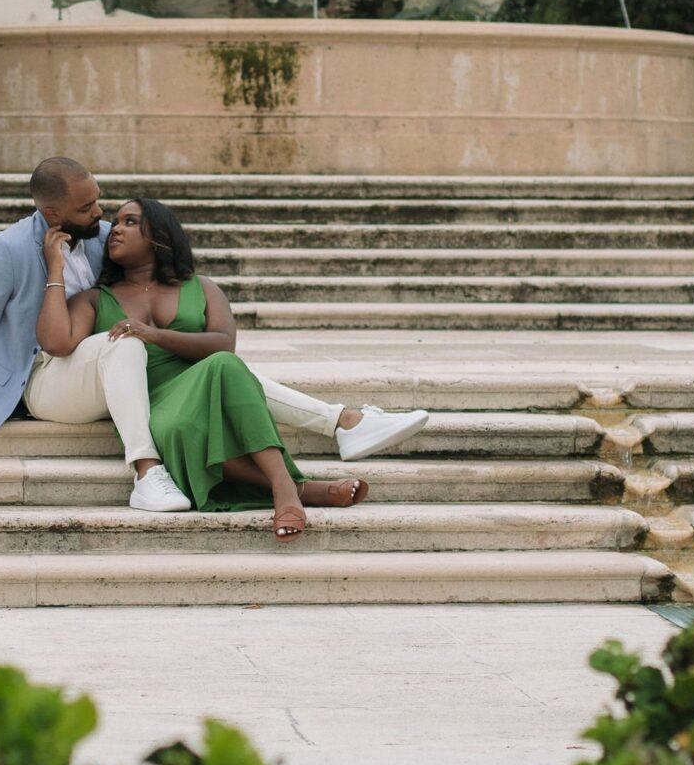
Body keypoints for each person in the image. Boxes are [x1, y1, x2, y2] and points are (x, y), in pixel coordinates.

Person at [0, 157, 427, 518]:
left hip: (113, 373)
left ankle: (345, 424)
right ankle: (147, 473)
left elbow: (153, 264)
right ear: (51, 213)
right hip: (42, 379)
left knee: (214, 368)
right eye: (87, 209)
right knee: (125, 340)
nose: (101, 217)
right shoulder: (6, 250)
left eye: (101, 204)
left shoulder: (102, 238)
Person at [34, 191, 424, 543]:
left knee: (224, 364)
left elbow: (223, 343)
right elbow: (57, 343)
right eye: (115, 222)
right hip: (149, 404)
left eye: (129, 222)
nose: (115, 229)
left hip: (204, 380)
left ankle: (290, 486)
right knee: (183, 426)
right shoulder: (94, 299)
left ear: (159, 235)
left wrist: (153, 335)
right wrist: (56, 269)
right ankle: (302, 482)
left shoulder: (200, 286)